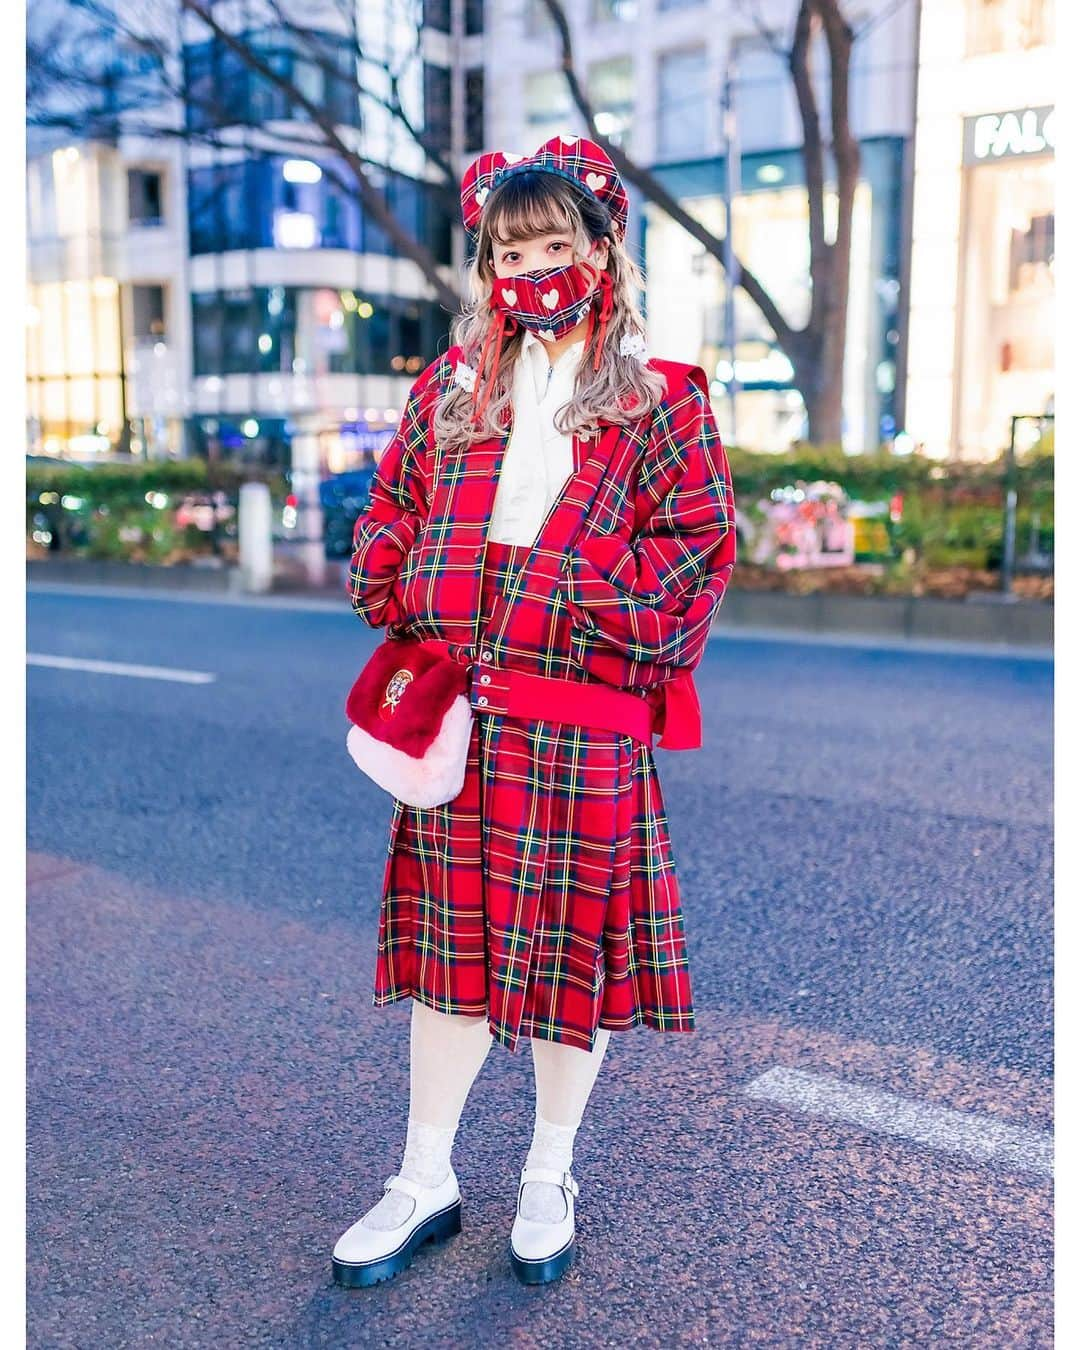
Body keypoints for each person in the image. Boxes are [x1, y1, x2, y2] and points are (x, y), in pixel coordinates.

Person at [333, 135, 736, 1289]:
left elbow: (696, 558)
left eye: (557, 241)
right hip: (466, 718)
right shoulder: (448, 393)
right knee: (452, 956)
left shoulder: (663, 403)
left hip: (583, 720)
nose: (534, 265)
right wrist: (413, 580)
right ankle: (425, 1175)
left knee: (569, 959)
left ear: (605, 248)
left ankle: (547, 1170)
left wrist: (569, 590)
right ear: (487, 261)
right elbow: (384, 524)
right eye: (512, 246)